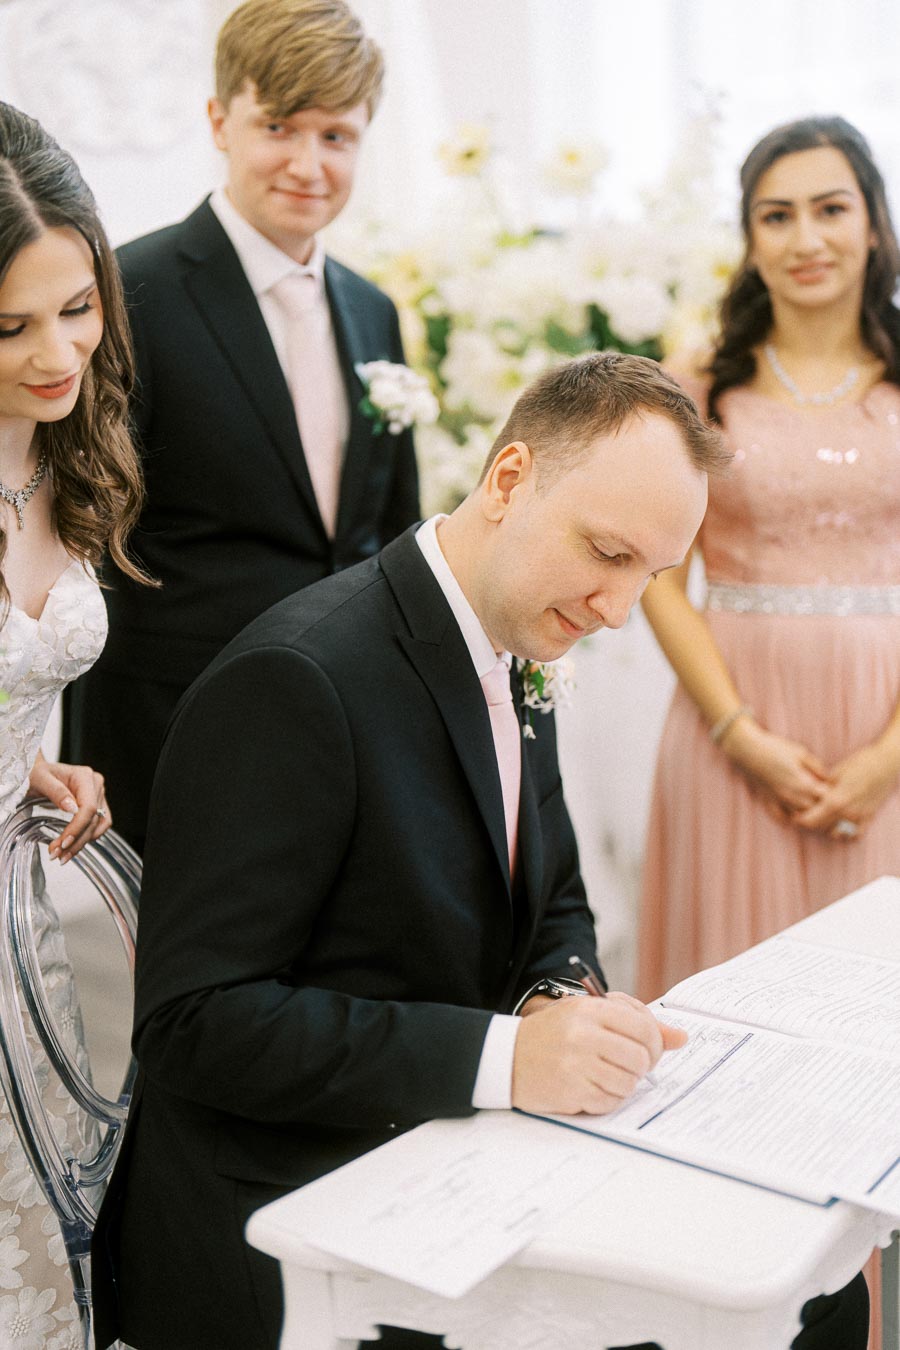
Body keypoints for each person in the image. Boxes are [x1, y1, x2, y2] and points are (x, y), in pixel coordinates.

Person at [89, 352, 866, 1350]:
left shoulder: (515, 634)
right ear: (507, 481)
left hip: (449, 1156)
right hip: (290, 1219)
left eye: (656, 575)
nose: (621, 609)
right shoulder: (297, 681)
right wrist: (510, 1056)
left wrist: (559, 997)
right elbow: (194, 1024)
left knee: (806, 1288)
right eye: (607, 553)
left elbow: (555, 904)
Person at [638, 116, 900, 1348]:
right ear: (748, 237)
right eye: (777, 214)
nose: (807, 238)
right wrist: (736, 729)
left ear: (873, 218)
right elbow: (654, 575)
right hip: (730, 744)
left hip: (888, 747)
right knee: (736, 1051)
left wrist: (889, 757)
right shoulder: (701, 384)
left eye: (831, 207)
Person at [62, 0, 421, 854]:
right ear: (220, 120)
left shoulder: (375, 312)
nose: (308, 163)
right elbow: (86, 530)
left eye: (337, 136)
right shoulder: (128, 291)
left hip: (349, 721)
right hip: (180, 723)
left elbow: (390, 530)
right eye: (279, 127)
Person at [0, 101, 151, 1346]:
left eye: (78, 307)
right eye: (10, 325)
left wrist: (50, 765)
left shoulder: (70, 451)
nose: (58, 353)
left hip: (30, 924)